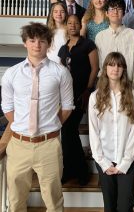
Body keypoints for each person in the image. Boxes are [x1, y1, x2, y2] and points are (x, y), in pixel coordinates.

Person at [1, 22, 74, 212]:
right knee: (16, 200)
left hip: (48, 145)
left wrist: (52, 125)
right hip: (18, 145)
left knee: (53, 199)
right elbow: (7, 107)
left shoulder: (61, 73)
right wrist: (22, 125)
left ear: (48, 43)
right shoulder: (11, 73)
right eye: (32, 40)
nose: (37, 45)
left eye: (42, 41)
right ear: (25, 43)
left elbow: (67, 107)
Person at [89, 52, 134, 212]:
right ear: (105, 68)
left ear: (124, 69)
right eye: (111, 64)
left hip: (127, 160)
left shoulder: (133, 96)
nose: (115, 68)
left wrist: (125, 162)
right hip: (105, 159)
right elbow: (93, 131)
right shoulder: (95, 97)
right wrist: (102, 162)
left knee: (125, 205)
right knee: (109, 205)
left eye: (119, 65)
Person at [58, 14, 99, 185]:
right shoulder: (63, 49)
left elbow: (95, 68)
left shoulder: (88, 45)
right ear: (66, 26)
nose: (73, 25)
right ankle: (71, 170)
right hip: (65, 95)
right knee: (67, 133)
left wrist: (88, 90)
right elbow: (60, 73)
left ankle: (82, 172)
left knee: (70, 130)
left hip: (81, 94)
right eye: (70, 23)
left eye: (76, 23)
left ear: (80, 26)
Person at [95, 0, 134, 92]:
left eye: (119, 9)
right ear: (107, 13)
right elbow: (99, 64)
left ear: (124, 13)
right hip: (106, 87)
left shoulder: (133, 35)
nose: (115, 12)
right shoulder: (100, 36)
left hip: (128, 87)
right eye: (112, 9)